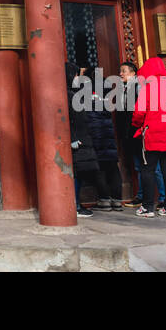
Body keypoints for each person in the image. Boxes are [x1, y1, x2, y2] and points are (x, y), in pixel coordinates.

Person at [131, 56, 166, 218]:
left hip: (153, 133)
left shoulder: (147, 90)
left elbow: (139, 114)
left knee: (147, 169)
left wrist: (138, 124)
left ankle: (147, 207)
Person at [114, 61, 163, 206]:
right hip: (131, 133)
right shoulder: (123, 89)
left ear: (133, 73)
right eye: (120, 71)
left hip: (141, 132)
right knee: (139, 167)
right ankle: (141, 196)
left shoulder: (139, 88)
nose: (120, 74)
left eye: (124, 71)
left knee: (154, 167)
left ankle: (162, 198)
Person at [81, 66, 123, 210]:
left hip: (94, 133)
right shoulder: (106, 89)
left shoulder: (86, 89)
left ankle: (104, 199)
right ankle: (117, 200)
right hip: (108, 132)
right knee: (112, 167)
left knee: (99, 168)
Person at [66, 63, 100, 218]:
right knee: (75, 173)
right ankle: (75, 205)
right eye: (75, 75)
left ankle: (76, 204)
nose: (77, 78)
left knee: (78, 173)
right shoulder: (67, 95)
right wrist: (73, 138)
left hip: (80, 138)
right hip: (76, 140)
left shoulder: (72, 93)